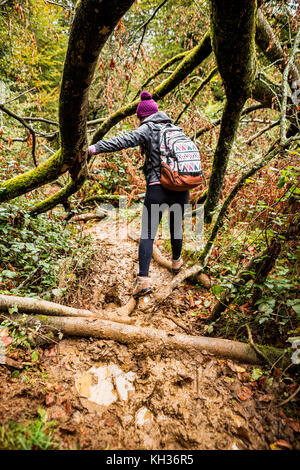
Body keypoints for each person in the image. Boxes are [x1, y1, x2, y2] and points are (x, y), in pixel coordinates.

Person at [88, 91, 189, 298]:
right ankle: (177, 263)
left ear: (141, 117)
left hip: (158, 187)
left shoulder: (147, 128)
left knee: (148, 234)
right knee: (176, 225)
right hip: (182, 187)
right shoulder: (175, 128)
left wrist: (95, 148)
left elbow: (123, 140)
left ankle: (143, 280)